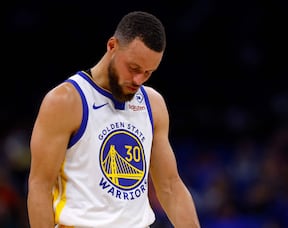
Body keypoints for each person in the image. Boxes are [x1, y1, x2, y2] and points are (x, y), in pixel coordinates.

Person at [27, 11, 200, 228]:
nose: (138, 80)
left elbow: (171, 187)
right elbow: (39, 187)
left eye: (148, 73)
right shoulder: (66, 101)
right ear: (112, 46)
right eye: (133, 68)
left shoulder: (153, 104)